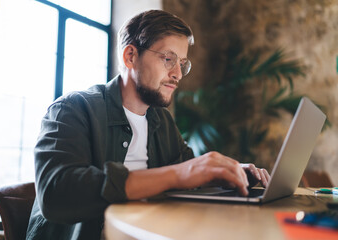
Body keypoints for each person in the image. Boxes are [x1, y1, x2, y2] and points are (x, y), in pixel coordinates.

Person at [26, 10, 270, 240]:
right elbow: (55, 194)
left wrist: (223, 173)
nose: (177, 74)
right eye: (168, 59)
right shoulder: (72, 109)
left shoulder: (161, 120)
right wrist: (179, 174)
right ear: (130, 56)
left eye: (182, 63)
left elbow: (186, 168)